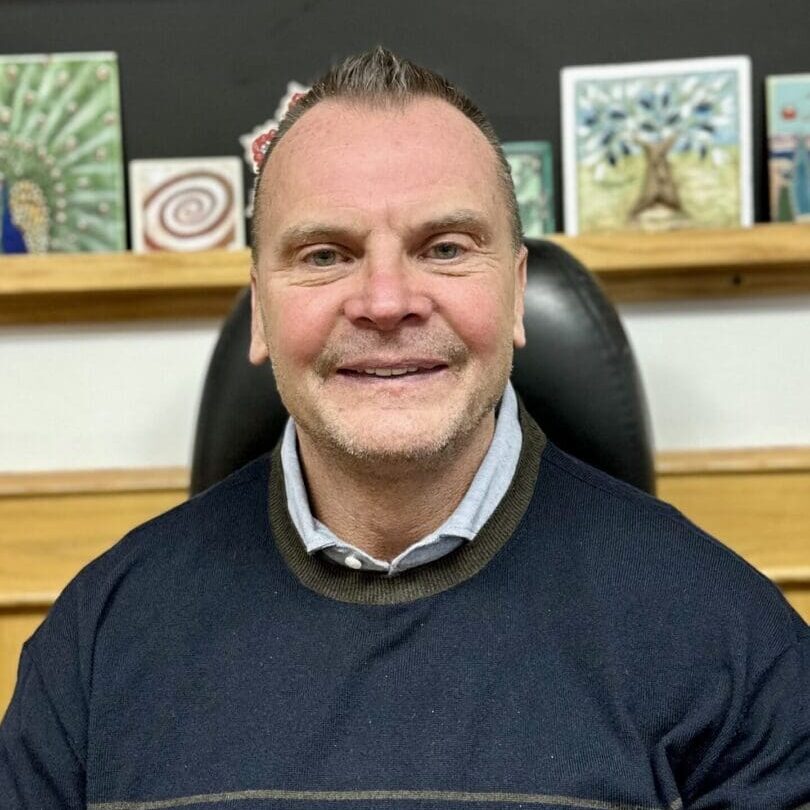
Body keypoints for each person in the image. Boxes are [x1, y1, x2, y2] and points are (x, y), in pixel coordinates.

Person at [2, 46, 809, 810]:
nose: (386, 302)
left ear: (516, 292)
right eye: (325, 255)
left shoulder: (730, 643)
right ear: (260, 308)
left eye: (445, 248)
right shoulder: (96, 644)